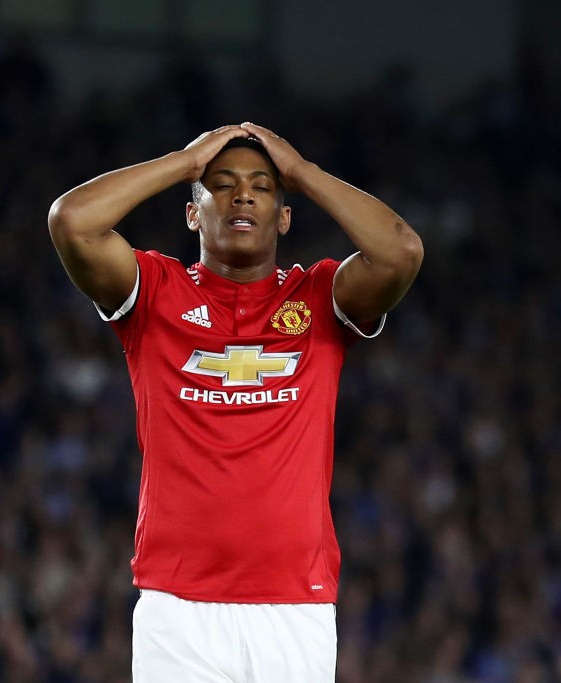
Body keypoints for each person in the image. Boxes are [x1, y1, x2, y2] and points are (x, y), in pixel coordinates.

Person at [47, 122, 423, 682]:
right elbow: (71, 222)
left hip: (294, 607)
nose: (242, 194)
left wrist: (302, 173)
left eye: (263, 187)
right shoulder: (155, 293)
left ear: (285, 216)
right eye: (220, 184)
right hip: (178, 607)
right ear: (193, 213)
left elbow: (401, 253)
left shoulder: (318, 298)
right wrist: (183, 161)